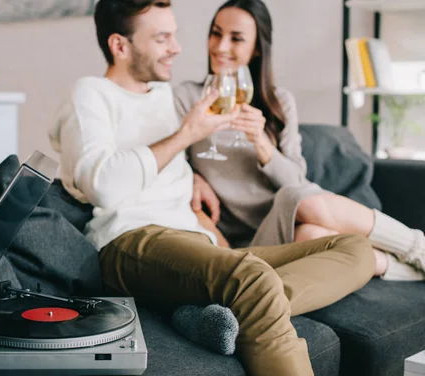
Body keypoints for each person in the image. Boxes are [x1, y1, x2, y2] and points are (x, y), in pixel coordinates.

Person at [49, 0, 375, 376]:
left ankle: (229, 312)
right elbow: (103, 184)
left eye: (175, 35)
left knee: (355, 249)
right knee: (253, 281)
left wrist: (194, 176)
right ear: (120, 45)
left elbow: (173, 159)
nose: (177, 48)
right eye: (162, 37)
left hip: (192, 240)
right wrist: (186, 135)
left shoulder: (164, 96)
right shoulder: (91, 94)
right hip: (131, 240)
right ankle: (251, 304)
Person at [174, 0, 425, 282]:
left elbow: (297, 181)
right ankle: (418, 248)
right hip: (246, 244)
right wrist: (193, 175)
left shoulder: (280, 102)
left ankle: (409, 263)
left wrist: (262, 144)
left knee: (312, 230)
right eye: (216, 33)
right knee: (300, 205)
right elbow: (174, 165)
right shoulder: (187, 98)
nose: (220, 47)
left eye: (236, 38)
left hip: (287, 225)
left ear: (257, 47)